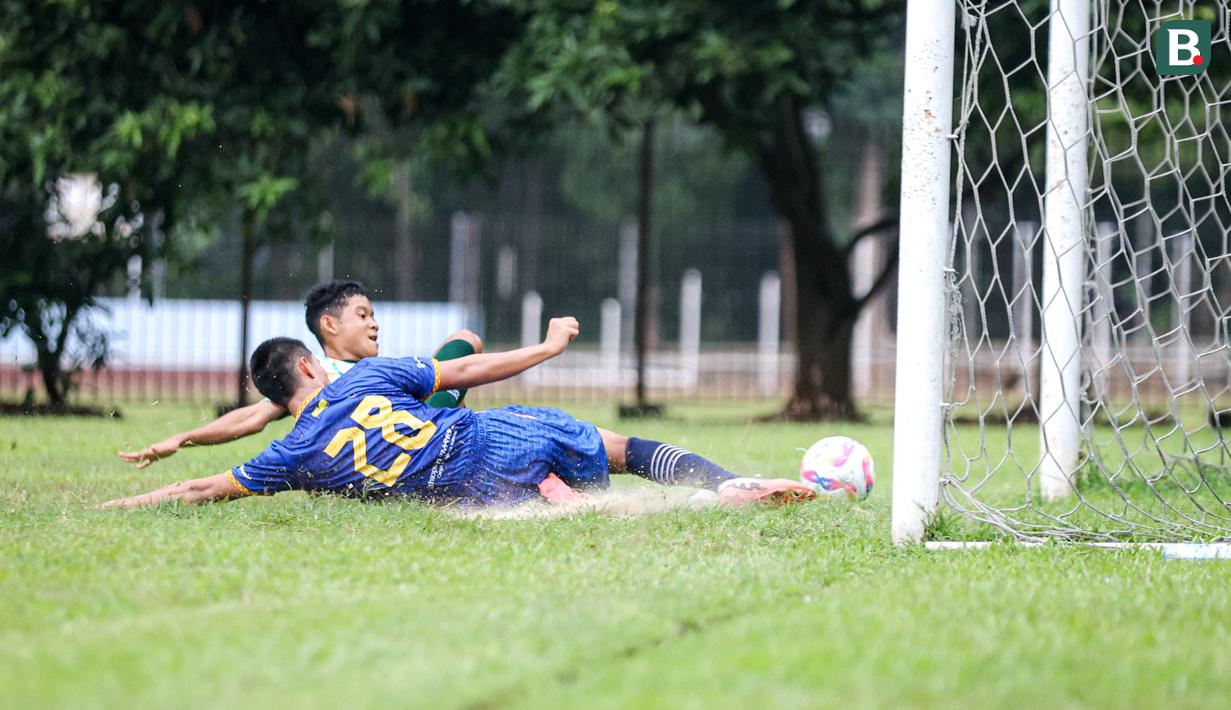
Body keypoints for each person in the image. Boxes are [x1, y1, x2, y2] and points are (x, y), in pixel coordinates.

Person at [101, 319, 815, 509]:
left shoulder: (289, 455)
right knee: (625, 449)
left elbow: (206, 483)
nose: (370, 324)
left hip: (460, 483)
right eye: (361, 315)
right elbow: (467, 364)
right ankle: (723, 484)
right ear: (317, 355)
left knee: (524, 495)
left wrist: (130, 497)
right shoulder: (367, 376)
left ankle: (559, 502)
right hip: (486, 430)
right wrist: (543, 347)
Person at [117, 280, 481, 468]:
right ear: (329, 325)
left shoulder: (379, 370)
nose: (374, 324)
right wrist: (181, 439)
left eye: (373, 315)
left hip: (417, 439)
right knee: (461, 356)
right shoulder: (318, 377)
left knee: (463, 343)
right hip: (385, 460)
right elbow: (252, 418)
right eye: (363, 315)